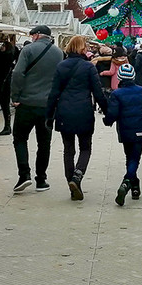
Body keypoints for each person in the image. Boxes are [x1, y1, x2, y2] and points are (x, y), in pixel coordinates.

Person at [46, 35, 107, 201]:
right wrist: (108, 111)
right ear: (81, 49)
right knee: (85, 147)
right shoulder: (88, 67)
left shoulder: (61, 66)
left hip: (64, 111)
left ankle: (71, 183)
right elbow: (98, 92)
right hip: (84, 111)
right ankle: (77, 176)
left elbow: (54, 93)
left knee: (68, 149)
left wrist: (49, 115)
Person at [9, 24, 63, 192]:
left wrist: (15, 97)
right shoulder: (58, 53)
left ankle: (24, 174)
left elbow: (18, 73)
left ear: (38, 35)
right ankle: (41, 179)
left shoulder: (28, 50)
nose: (31, 37)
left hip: (27, 102)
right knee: (44, 143)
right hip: (47, 105)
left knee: (19, 138)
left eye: (33, 35)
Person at [105, 62, 142, 205]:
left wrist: (107, 121)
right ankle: (134, 186)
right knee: (135, 158)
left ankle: (128, 182)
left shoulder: (117, 94)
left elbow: (113, 113)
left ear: (120, 77)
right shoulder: (141, 90)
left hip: (126, 129)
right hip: (140, 127)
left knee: (130, 157)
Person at [0, 36, 18, 136]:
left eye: (3, 46)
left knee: (5, 107)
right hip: (5, 84)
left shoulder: (6, 57)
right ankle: (7, 126)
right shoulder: (8, 56)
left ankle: (7, 126)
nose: (1, 47)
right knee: (5, 107)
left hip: (3, 85)